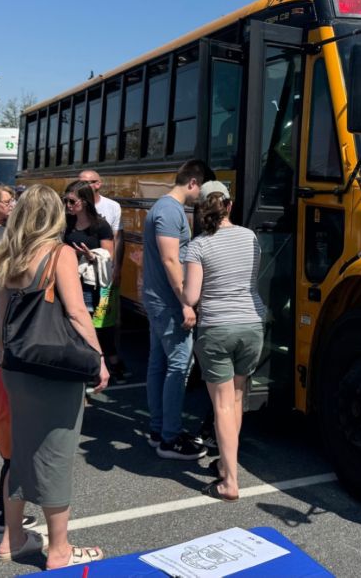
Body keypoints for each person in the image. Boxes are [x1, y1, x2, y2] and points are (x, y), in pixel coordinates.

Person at [0, 184, 109, 569]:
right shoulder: (60, 254)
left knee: (21, 454)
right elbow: (76, 313)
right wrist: (99, 358)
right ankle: (59, 550)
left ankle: (13, 538)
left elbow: (2, 321)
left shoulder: (7, 254)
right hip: (53, 368)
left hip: (17, 367)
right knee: (56, 454)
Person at [182, 180, 266, 501]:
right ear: (230, 206)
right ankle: (226, 465)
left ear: (202, 209)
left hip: (217, 327)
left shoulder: (198, 246)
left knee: (220, 405)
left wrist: (180, 288)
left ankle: (229, 481)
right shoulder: (250, 237)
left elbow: (191, 296)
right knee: (235, 400)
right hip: (251, 324)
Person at [143, 159, 212, 460]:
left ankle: (159, 428)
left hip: (157, 298)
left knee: (159, 363)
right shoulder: (170, 211)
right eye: (202, 189)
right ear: (193, 183)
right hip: (168, 301)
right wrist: (186, 302)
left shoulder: (162, 207)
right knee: (180, 365)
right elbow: (171, 260)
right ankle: (170, 438)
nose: (202, 197)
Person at [77, 171, 124, 378]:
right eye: (83, 182)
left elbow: (117, 239)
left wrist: (117, 268)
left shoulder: (111, 207)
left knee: (105, 319)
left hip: (103, 274)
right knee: (84, 319)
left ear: (100, 184)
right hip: (81, 277)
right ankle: (92, 364)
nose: (88, 185)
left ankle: (110, 358)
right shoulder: (73, 208)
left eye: (92, 182)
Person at [62, 181, 115, 313]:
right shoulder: (65, 222)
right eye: (66, 200)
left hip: (90, 285)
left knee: (88, 320)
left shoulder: (101, 226)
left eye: (72, 201)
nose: (68, 205)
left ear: (85, 202)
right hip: (67, 278)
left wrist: (91, 256)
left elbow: (109, 257)